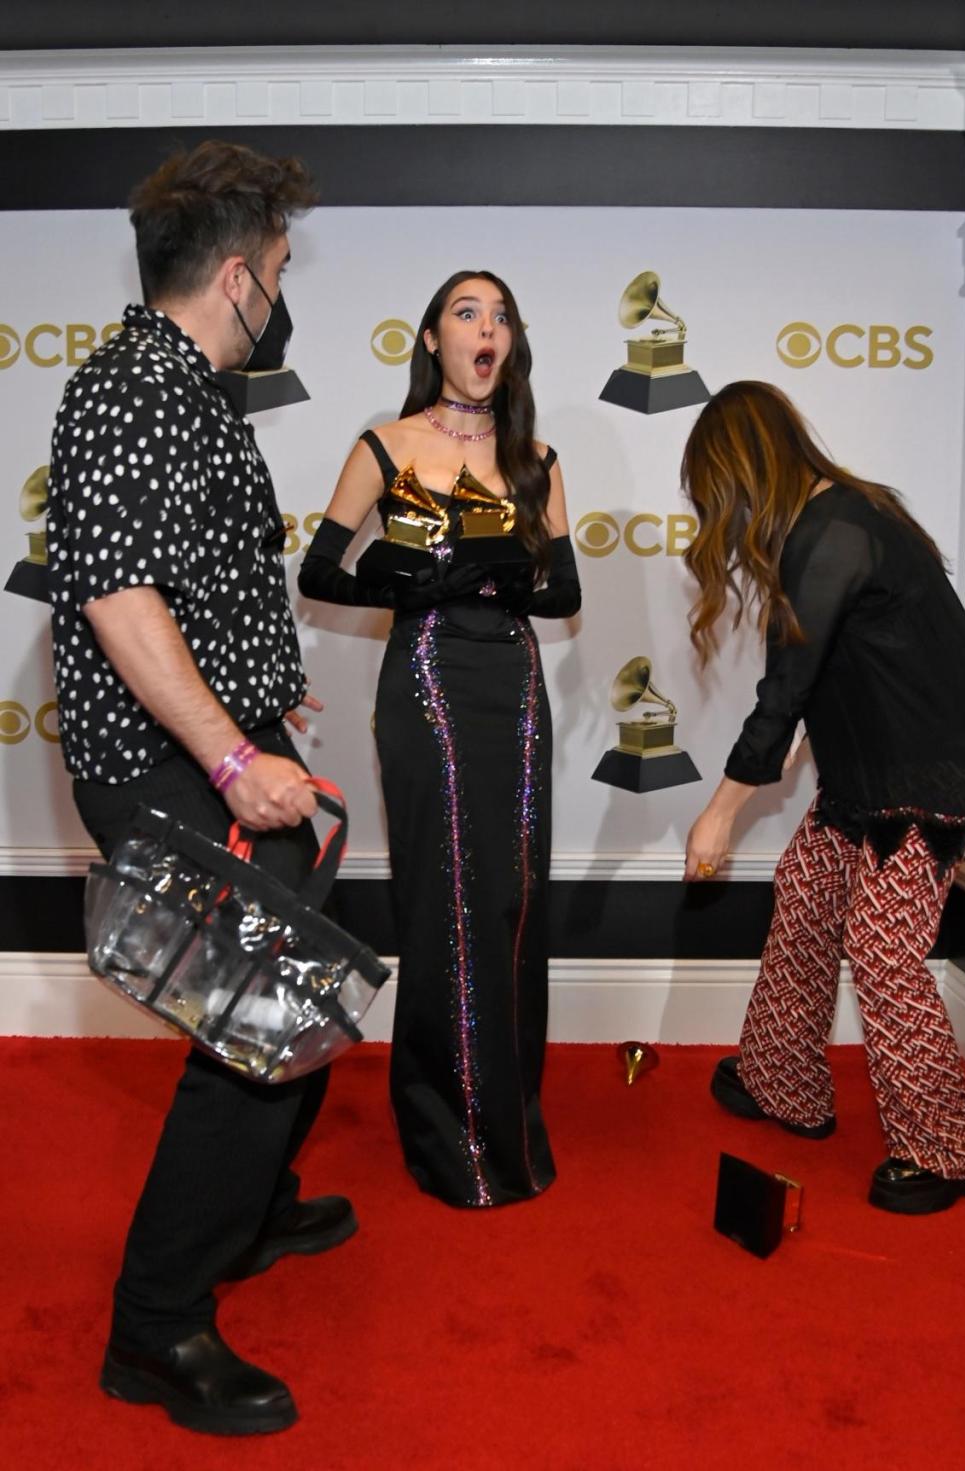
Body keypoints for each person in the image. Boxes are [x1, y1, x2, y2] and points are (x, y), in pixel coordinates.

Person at [48, 140, 355, 1436]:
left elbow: (188, 585)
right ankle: (155, 1324)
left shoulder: (184, 388)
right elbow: (119, 598)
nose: (282, 292)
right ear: (236, 277)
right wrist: (233, 757)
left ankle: (249, 1212)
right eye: (279, 268)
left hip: (219, 746)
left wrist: (262, 704)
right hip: (171, 768)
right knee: (267, 1017)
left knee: (311, 981)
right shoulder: (129, 387)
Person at [681, 380, 965, 1215]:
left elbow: (784, 688)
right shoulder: (838, 518)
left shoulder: (833, 531)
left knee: (880, 945)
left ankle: (947, 1149)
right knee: (805, 897)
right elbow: (828, 675)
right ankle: (783, 1082)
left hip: (931, 778)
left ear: (743, 476)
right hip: (872, 772)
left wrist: (719, 812)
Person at [299, 270, 580, 1207]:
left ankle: (510, 1120)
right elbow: (320, 572)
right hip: (423, 679)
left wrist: (498, 579)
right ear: (430, 340)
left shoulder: (535, 456)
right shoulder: (386, 445)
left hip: (513, 682)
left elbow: (565, 594)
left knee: (512, 897)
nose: (487, 328)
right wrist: (407, 583)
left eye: (502, 314)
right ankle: (442, 1126)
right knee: (447, 893)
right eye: (468, 312)